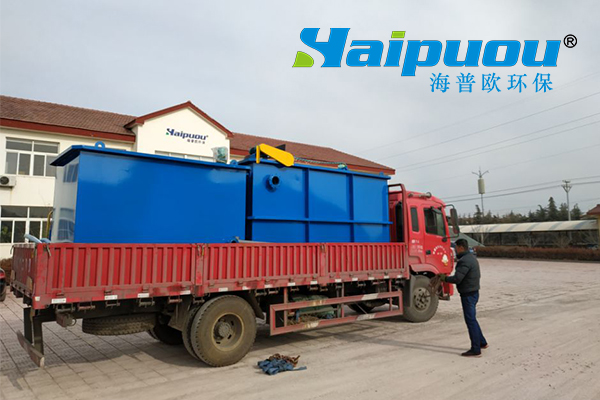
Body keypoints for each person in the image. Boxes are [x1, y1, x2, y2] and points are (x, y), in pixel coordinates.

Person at [439, 238, 488, 357]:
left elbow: (457, 278)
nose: (455, 250)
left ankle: (476, 349)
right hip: (473, 292)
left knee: (470, 320)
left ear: (461, 247)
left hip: (468, 294)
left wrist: (444, 278)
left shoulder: (464, 261)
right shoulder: (471, 258)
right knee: (472, 319)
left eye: (456, 247)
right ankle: (482, 342)